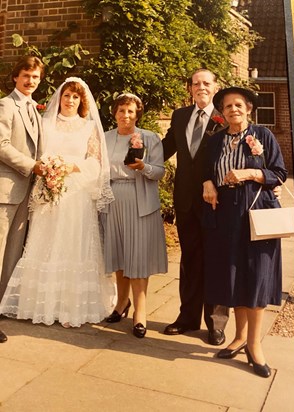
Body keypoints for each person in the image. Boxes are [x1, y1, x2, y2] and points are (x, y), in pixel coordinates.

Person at [0, 77, 116, 328]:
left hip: (77, 194)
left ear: (81, 101)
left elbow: (95, 163)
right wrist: (49, 169)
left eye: (75, 97)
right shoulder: (45, 124)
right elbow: (35, 155)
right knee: (45, 242)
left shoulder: (88, 128)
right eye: (66, 95)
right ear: (59, 98)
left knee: (73, 244)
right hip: (48, 191)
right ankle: (39, 303)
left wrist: (69, 167)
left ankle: (69, 306)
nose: (70, 101)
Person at [202, 86, 288, 377]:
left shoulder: (263, 136)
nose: (233, 110)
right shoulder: (215, 142)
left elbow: (279, 172)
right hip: (226, 213)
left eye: (238, 105)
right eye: (227, 107)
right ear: (222, 113)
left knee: (257, 275)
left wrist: (250, 173)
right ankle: (238, 338)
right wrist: (208, 183)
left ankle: (254, 345)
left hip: (257, 209)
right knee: (235, 275)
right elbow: (207, 170)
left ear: (248, 108)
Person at [161, 68, 229, 345]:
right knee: (189, 260)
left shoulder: (225, 116)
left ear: (215, 87)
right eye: (196, 83)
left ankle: (216, 324)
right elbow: (165, 148)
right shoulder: (180, 116)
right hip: (186, 201)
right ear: (189, 88)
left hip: (215, 201)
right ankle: (187, 318)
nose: (200, 87)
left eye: (206, 83)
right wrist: (134, 149)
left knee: (215, 260)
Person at [100, 93, 168, 338]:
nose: (125, 116)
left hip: (140, 201)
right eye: (121, 111)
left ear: (137, 113)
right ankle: (121, 303)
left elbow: (159, 172)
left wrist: (144, 167)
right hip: (112, 199)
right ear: (114, 112)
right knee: (118, 253)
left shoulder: (149, 137)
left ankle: (141, 312)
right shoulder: (104, 137)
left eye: (130, 111)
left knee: (137, 258)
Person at [0, 55, 45, 342]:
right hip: (4, 191)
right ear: (16, 77)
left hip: (26, 193)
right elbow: (1, 145)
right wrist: (32, 166)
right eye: (26, 76)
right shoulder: (6, 105)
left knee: (12, 256)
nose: (30, 81)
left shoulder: (36, 111)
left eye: (36, 77)